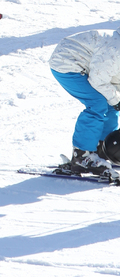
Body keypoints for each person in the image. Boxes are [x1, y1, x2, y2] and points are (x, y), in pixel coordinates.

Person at [49, 30, 120, 174]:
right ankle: (82, 157)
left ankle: (103, 150)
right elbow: (98, 80)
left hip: (90, 67)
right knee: (97, 104)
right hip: (67, 64)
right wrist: (116, 101)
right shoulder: (114, 52)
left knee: (111, 106)